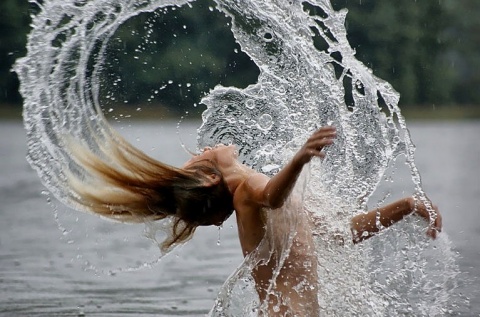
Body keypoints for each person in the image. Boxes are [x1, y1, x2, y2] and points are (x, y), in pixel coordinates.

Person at [66, 125, 442, 316]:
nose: (205, 148)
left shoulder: (273, 203)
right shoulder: (248, 191)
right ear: (211, 176)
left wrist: (407, 205)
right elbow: (270, 194)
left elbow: (341, 234)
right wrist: (299, 159)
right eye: (201, 155)